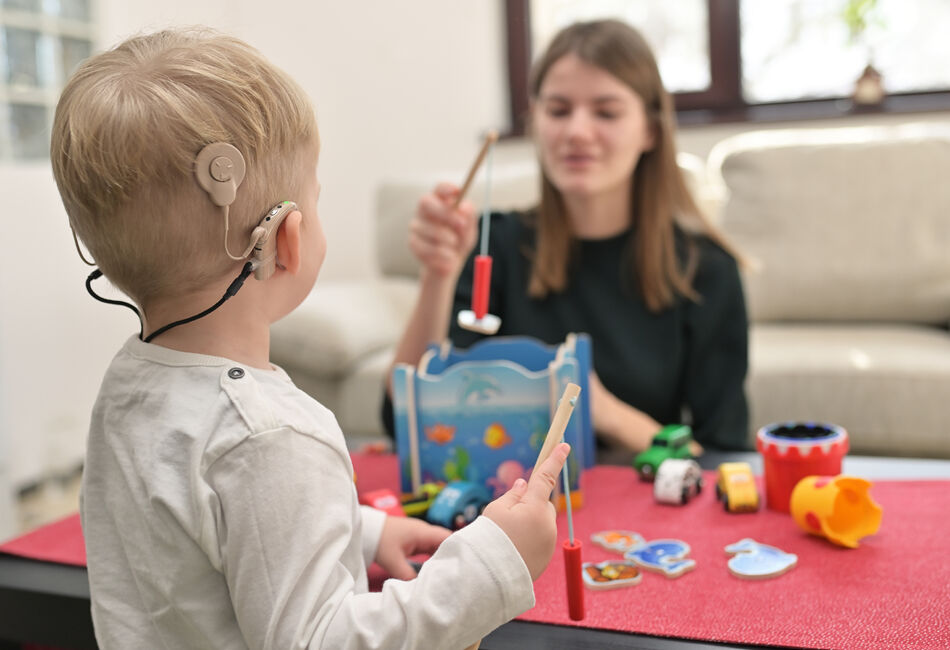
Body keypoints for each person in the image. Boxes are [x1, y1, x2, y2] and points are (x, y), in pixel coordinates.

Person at [52, 28, 569, 649]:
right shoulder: (271, 434)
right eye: (318, 200)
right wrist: (492, 563)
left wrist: (367, 530)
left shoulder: (130, 383)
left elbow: (209, 522)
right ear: (287, 240)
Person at [385, 19, 748, 454]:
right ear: (535, 121)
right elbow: (402, 419)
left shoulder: (706, 270)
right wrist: (436, 277)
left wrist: (601, 409)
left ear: (650, 130)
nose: (576, 132)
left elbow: (720, 456)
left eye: (606, 112)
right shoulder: (492, 243)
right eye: (558, 110)